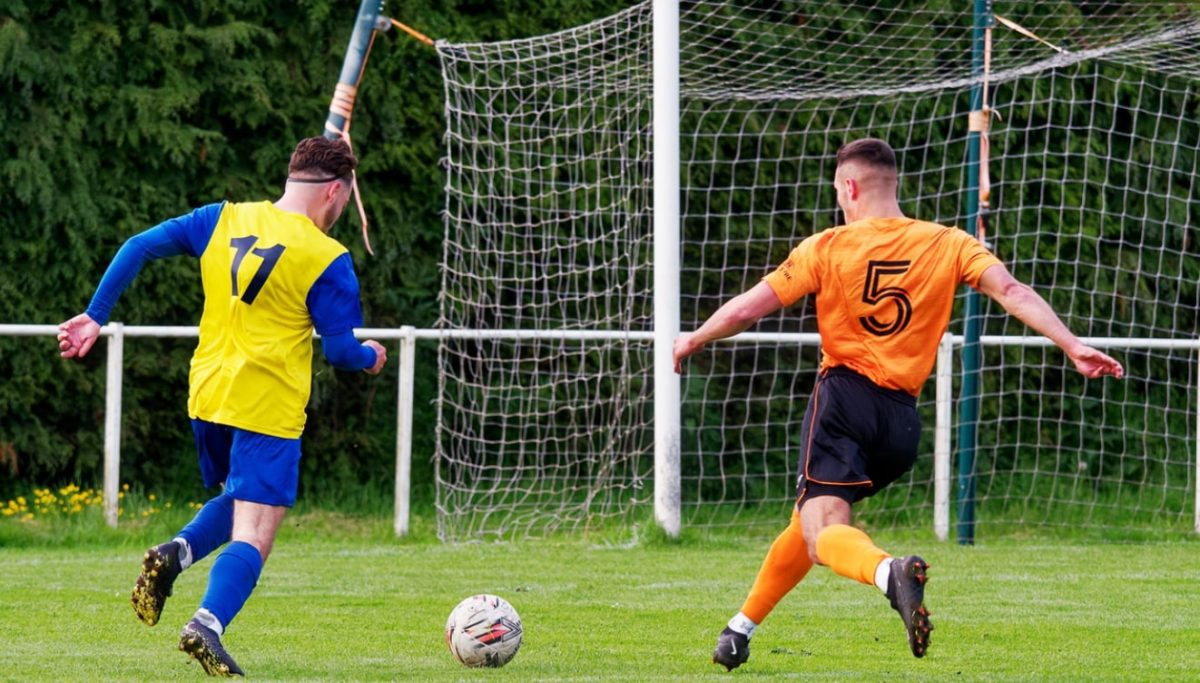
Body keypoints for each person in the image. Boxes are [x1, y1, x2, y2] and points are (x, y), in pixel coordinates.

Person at [673, 138, 1124, 670]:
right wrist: (1071, 344)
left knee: (823, 532)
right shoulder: (949, 243)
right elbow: (1012, 291)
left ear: (849, 186)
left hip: (844, 400)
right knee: (813, 522)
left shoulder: (827, 246)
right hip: (901, 426)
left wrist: (693, 338)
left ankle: (891, 574)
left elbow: (752, 306)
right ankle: (739, 630)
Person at [57, 137, 388, 677]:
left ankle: (175, 554)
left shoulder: (223, 218)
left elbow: (138, 244)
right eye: (345, 204)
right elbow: (339, 350)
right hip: (267, 404)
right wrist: (371, 356)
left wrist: (96, 314)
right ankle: (207, 624)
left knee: (238, 501)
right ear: (334, 192)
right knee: (257, 531)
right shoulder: (327, 258)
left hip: (208, 394)